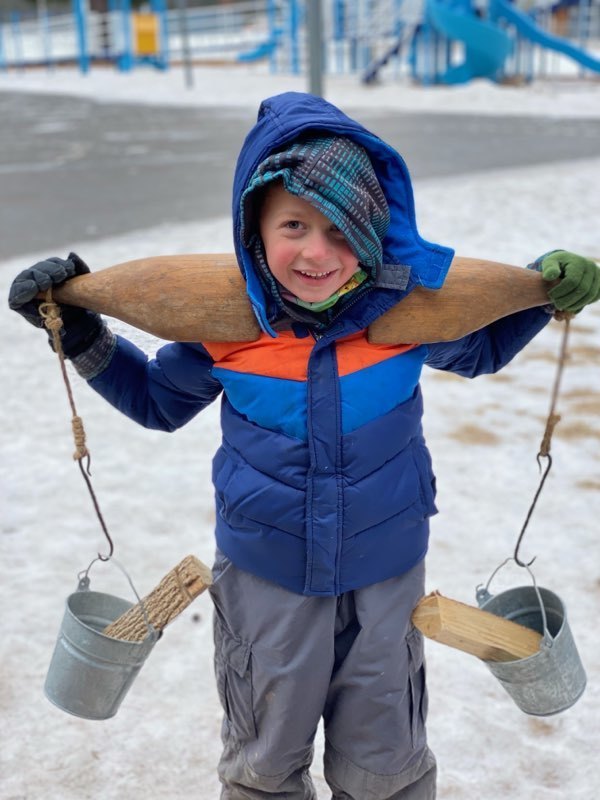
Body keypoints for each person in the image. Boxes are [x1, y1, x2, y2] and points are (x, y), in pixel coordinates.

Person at [8, 92, 600, 800]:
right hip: (266, 577)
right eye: (294, 225)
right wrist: (75, 331)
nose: (316, 252)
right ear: (255, 226)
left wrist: (544, 288)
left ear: (377, 235)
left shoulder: (406, 317)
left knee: (387, 757)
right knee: (265, 754)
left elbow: (482, 348)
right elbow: (156, 403)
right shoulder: (225, 327)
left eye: (341, 230)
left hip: (385, 572)